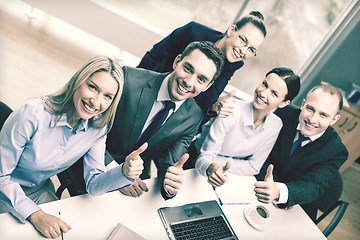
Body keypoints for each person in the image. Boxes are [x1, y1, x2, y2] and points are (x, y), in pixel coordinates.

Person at [0, 56, 147, 239]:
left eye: (107, 96)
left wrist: (124, 172)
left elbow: (94, 184)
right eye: (92, 87)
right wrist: (36, 215)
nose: (96, 102)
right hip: (4, 191)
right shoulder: (32, 114)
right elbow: (1, 176)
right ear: (78, 80)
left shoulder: (97, 127)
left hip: (38, 190)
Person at [106, 41, 224, 199]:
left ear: (207, 86)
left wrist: (171, 185)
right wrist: (117, 175)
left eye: (201, 79)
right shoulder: (129, 79)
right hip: (91, 164)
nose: (189, 82)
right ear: (177, 62)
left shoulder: (194, 117)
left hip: (133, 180)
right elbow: (87, 126)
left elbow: (171, 164)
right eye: (188, 69)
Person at [137, 11, 266, 117]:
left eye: (251, 50)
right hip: (152, 87)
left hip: (175, 106)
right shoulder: (193, 31)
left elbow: (207, 99)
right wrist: (133, 87)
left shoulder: (233, 64)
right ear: (231, 30)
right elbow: (155, 56)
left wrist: (215, 107)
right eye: (243, 40)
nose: (243, 51)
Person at [254, 84, 348, 221]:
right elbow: (262, 151)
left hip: (296, 205)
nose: (312, 119)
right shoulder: (283, 114)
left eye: (323, 115)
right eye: (310, 109)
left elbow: (313, 186)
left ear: (334, 119)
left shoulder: (336, 151)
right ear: (303, 105)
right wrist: (269, 185)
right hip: (259, 185)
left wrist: (279, 191)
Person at [195, 68, 300, 187]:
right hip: (195, 165)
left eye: (274, 94)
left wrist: (220, 164)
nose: (263, 93)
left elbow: (254, 167)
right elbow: (204, 158)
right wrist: (213, 166)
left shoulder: (275, 125)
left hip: (227, 176)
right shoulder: (230, 110)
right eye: (264, 85)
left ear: (284, 103)